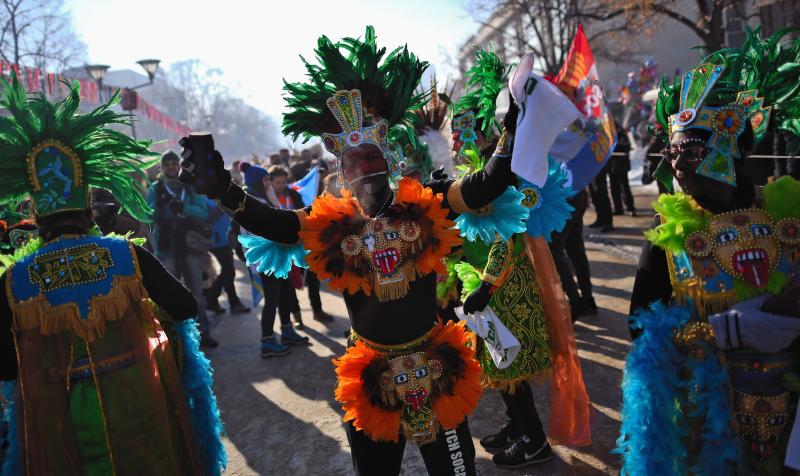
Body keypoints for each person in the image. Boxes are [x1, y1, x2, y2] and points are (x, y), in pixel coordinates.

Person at [182, 26, 527, 475]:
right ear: (339, 167)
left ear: (387, 155)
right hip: (371, 378)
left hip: (436, 368)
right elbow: (275, 224)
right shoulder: (330, 222)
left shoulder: (425, 200)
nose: (362, 168)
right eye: (352, 160)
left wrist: (512, 127)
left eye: (371, 156)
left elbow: (488, 185)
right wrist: (223, 189)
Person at [0, 75, 225, 475]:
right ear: (88, 210)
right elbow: (185, 305)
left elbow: (4, 367)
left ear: (35, 217)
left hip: (60, 427)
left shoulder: (15, 280)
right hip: (142, 410)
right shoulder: (125, 254)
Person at [618, 29, 800, 475]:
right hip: (708, 422)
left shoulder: (787, 217)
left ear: (730, 144)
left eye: (691, 146)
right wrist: (717, 331)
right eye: (672, 148)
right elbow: (642, 330)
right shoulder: (668, 232)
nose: (676, 159)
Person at [450, 49, 591, 469]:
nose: (460, 138)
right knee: (499, 364)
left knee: (508, 363)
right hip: (488, 285)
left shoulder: (508, 171)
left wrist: (486, 285)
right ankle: (518, 426)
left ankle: (533, 441)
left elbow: (506, 236)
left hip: (505, 287)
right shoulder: (479, 166)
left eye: (467, 130)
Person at [147, 151, 218, 348]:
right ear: (162, 168)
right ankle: (180, 338)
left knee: (196, 291)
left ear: (179, 166)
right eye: (167, 164)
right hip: (166, 246)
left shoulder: (189, 186)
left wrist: (184, 208)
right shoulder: (155, 188)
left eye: (174, 164)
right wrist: (158, 205)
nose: (171, 167)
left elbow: (203, 211)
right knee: (170, 293)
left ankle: (203, 332)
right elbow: (146, 215)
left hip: (189, 244)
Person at [239, 162, 309, 357]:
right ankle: (267, 341)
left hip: (280, 254)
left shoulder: (265, 198)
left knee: (286, 293)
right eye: (265, 180)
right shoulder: (250, 201)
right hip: (266, 259)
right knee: (272, 299)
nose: (269, 183)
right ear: (258, 182)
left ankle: (287, 331)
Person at [549, 189, 597, 320]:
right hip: (576, 190)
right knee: (575, 246)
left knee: (555, 248)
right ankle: (587, 298)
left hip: (562, 193)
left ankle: (575, 301)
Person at [203, 197, 250, 315]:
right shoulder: (202, 197)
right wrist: (221, 206)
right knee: (229, 271)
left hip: (226, 237)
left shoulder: (217, 194)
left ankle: (228, 302)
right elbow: (205, 218)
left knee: (228, 271)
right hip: (216, 240)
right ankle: (213, 299)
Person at [608, 130, 636, 216]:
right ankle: (618, 208)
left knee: (624, 187)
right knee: (614, 188)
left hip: (621, 165)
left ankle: (630, 208)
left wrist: (613, 145)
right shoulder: (608, 133)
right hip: (612, 165)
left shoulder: (620, 133)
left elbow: (626, 146)